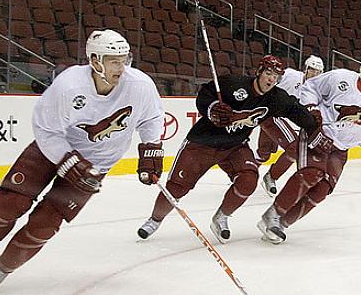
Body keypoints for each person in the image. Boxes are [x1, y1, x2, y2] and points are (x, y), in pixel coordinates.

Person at [0, 29, 165, 293]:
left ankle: (2, 268)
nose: (121, 67)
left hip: (95, 164)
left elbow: (152, 118)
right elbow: (46, 129)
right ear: (95, 61)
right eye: (114, 61)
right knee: (10, 204)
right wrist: (66, 159)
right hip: (49, 151)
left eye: (124, 59)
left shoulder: (140, 85)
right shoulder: (69, 85)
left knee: (46, 224)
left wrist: (151, 147)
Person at [136, 55, 322, 244]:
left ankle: (222, 217)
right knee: (177, 187)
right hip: (202, 142)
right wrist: (213, 108)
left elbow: (296, 110)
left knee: (249, 179)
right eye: (268, 73)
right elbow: (205, 94)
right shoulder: (233, 84)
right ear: (259, 72)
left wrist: (313, 119)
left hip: (235, 146)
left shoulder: (276, 98)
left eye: (276, 76)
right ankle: (154, 220)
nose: (271, 80)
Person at [256, 47, 361, 244]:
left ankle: (282, 224)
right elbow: (310, 88)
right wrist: (312, 110)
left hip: (341, 149)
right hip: (318, 136)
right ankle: (273, 215)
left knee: (322, 190)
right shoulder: (340, 77)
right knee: (312, 173)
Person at [256, 55, 324, 197]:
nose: (314, 74)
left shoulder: (317, 92)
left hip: (277, 119)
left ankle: (243, 172)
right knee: (295, 147)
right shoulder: (290, 75)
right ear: (305, 69)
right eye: (312, 69)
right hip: (271, 114)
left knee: (264, 153)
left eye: (318, 72)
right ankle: (270, 177)